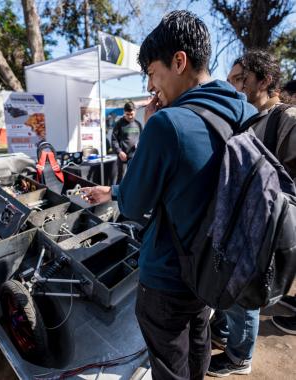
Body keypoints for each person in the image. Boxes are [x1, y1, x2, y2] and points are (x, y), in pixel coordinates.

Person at [82, 11, 256, 380]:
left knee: (170, 366)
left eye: (151, 72)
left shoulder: (166, 123)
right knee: (199, 345)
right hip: (218, 267)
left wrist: (147, 130)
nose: (150, 86)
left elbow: (132, 205)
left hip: (168, 275)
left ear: (179, 61)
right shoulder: (247, 112)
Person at [208, 50, 296, 376]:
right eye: (230, 81)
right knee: (232, 290)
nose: (234, 87)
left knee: (247, 297)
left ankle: (240, 358)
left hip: (263, 233)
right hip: (237, 227)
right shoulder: (247, 117)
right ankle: (227, 334)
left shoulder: (285, 118)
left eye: (240, 79)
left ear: (266, 80)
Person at [111, 101, 142, 183]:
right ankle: (119, 195)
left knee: (135, 179)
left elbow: (142, 139)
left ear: (135, 112)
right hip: (123, 157)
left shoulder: (138, 124)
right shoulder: (119, 124)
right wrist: (119, 152)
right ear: (124, 112)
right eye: (127, 114)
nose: (130, 116)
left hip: (135, 157)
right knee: (121, 179)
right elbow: (114, 140)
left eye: (132, 114)